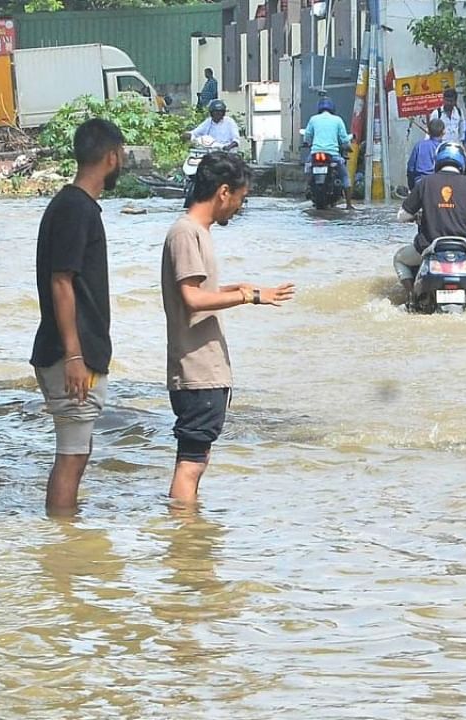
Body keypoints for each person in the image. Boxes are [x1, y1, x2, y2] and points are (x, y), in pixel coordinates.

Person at [161, 152, 296, 506]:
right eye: (241, 198)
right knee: (191, 464)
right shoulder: (186, 233)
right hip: (197, 373)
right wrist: (249, 296)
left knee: (197, 461)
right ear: (224, 192)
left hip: (205, 373)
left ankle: (189, 541)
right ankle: (186, 545)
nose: (239, 207)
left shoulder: (196, 233)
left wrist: (235, 288)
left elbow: (195, 293)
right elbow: (191, 298)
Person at [29, 118, 126, 515]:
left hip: (72, 351)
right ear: (111, 157)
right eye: (121, 156)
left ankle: (62, 550)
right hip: (71, 355)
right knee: (71, 457)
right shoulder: (75, 208)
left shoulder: (71, 205)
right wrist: (73, 355)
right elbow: (61, 282)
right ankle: (61, 556)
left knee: (75, 454)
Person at [394, 141, 466, 299]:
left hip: (428, 248)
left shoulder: (425, 183)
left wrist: (415, 216)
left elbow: (401, 216)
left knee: (399, 259)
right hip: (462, 249)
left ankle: (411, 295)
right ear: (462, 161)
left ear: (438, 159)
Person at [301, 96, 355, 209]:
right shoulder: (338, 120)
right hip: (333, 155)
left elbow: (307, 136)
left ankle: (306, 187)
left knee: (307, 168)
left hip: (315, 154)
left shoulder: (313, 119)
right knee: (345, 176)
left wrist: (306, 142)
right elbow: (344, 139)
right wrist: (348, 147)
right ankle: (349, 204)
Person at [407, 118, 445, 189]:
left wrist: (412, 187)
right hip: (438, 184)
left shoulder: (419, 145)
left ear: (428, 131)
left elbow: (410, 168)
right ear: (443, 132)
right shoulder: (444, 148)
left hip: (420, 182)